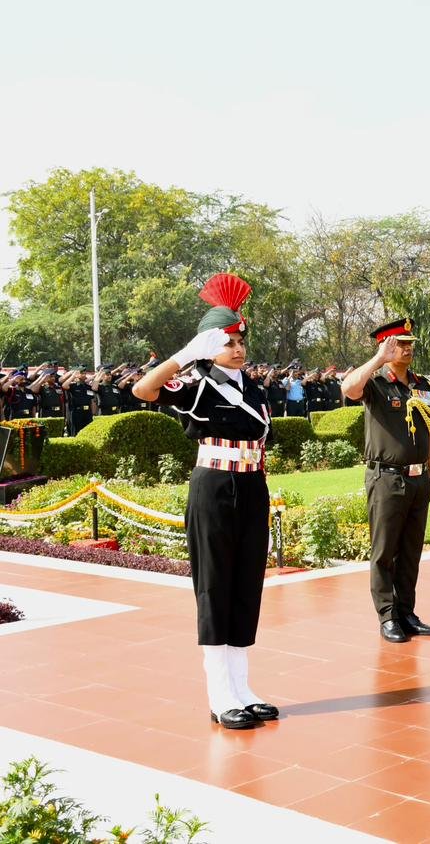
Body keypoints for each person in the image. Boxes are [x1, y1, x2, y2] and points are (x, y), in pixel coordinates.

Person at [132, 272, 276, 731]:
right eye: (226, 342)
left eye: (240, 340)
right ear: (208, 345)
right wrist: (184, 356)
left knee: (246, 583)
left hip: (251, 484)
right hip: (214, 486)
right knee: (215, 586)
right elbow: (143, 390)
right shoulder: (195, 383)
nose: (237, 349)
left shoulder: (250, 385)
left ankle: (243, 688)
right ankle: (219, 695)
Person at [341, 317, 430, 643]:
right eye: (400, 343)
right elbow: (348, 388)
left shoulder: (420, 384)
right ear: (386, 346)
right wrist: (378, 360)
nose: (408, 348)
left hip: (418, 479)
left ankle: (406, 612)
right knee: (384, 552)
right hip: (386, 479)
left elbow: (428, 430)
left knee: (411, 551)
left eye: (410, 343)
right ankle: (387, 616)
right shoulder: (375, 381)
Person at [62, 366, 97, 436]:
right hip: (76, 413)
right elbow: (64, 386)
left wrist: (93, 413)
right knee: (76, 433)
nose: (84, 375)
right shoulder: (73, 386)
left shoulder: (88, 387)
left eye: (85, 373)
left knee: (87, 433)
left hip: (87, 413)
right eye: (82, 373)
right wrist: (73, 376)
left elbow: (92, 400)